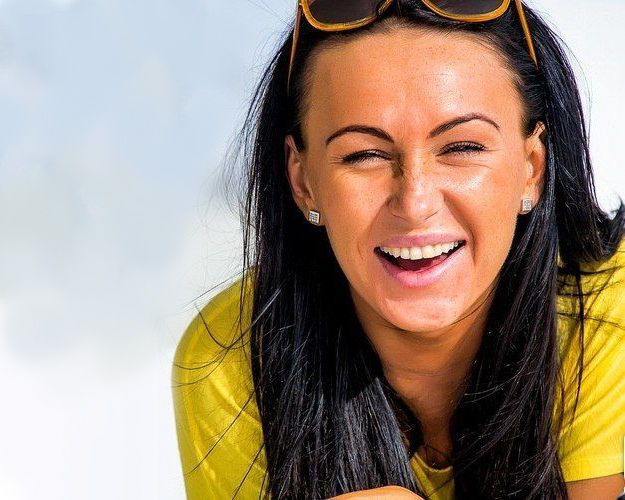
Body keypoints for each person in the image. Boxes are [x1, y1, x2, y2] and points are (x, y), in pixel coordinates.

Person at [172, 0, 625, 498]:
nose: (414, 203)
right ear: (303, 183)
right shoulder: (230, 358)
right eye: (364, 155)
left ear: (531, 168)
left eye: (462, 148)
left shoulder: (610, 311)